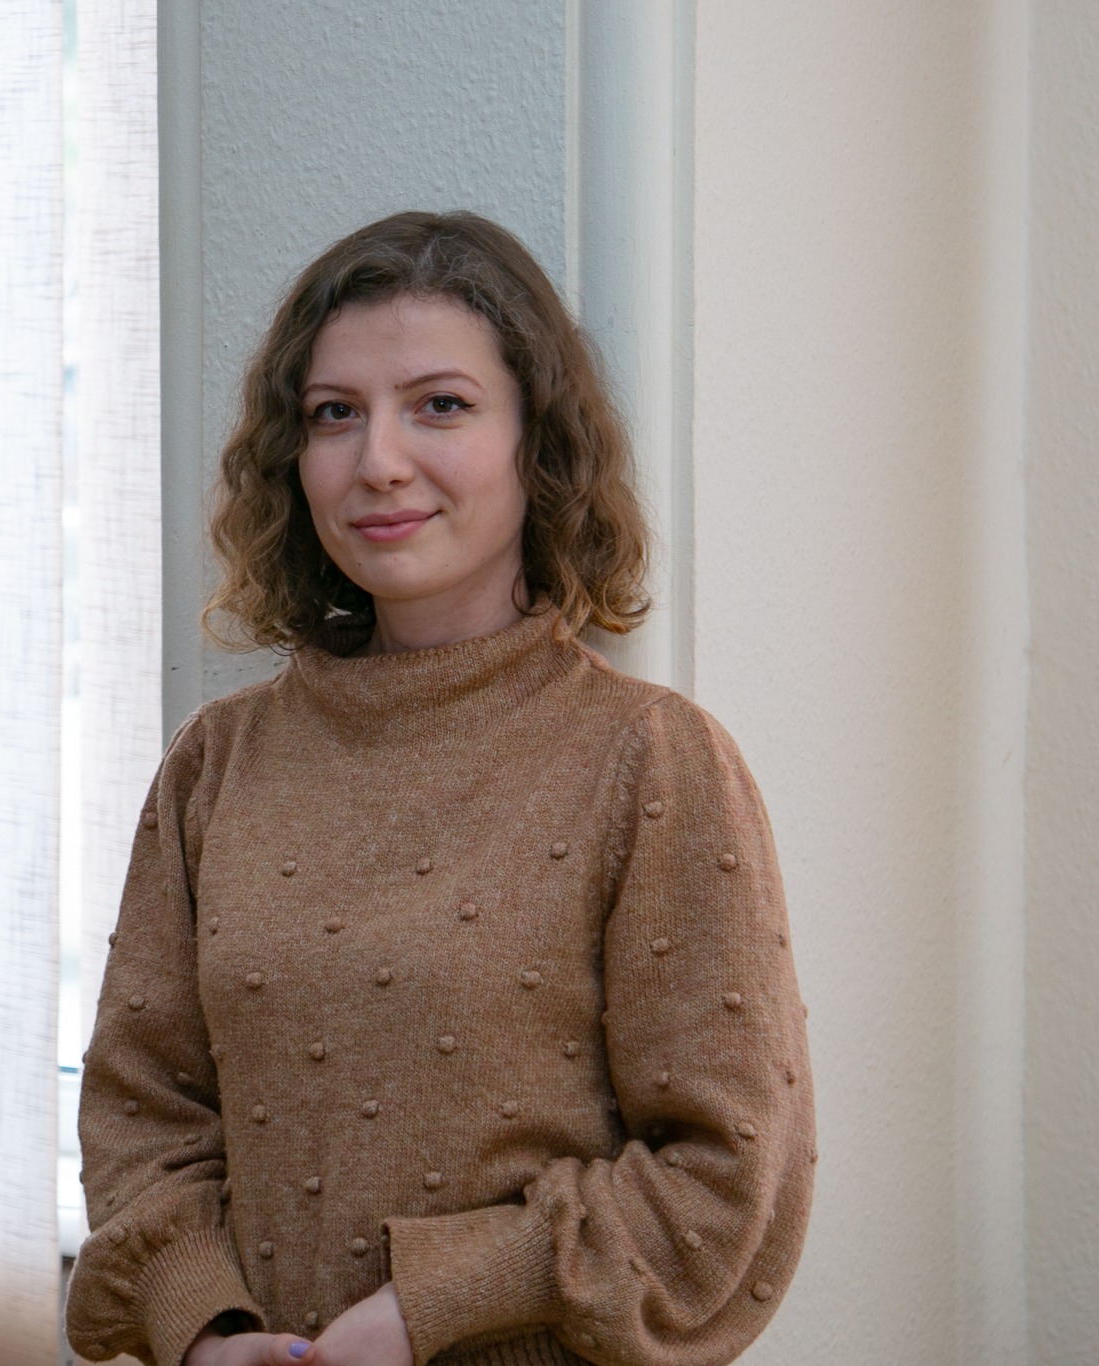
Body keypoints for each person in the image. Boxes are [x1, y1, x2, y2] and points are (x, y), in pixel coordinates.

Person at [65, 211, 815, 1366]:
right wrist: (203, 1328)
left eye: (440, 405)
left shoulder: (654, 761)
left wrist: (430, 1306)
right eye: (333, 413)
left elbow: (725, 1176)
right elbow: (140, 1109)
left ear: (536, 442)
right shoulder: (214, 762)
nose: (376, 460)